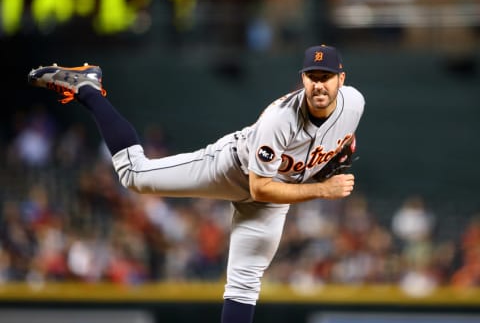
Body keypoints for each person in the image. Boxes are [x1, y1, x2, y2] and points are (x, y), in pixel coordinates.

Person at [28, 45, 365, 323]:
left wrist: (333, 157)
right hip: (232, 168)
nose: (320, 84)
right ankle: (88, 87)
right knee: (134, 175)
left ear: (341, 80)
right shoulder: (281, 119)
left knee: (244, 285)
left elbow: (338, 143)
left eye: (327, 77)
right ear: (302, 79)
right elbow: (260, 187)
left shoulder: (355, 104)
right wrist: (321, 188)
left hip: (274, 198)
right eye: (313, 76)